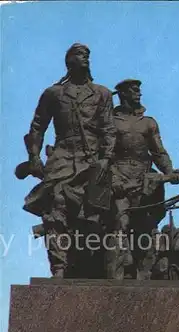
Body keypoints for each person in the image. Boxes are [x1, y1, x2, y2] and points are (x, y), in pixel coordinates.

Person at [20, 43, 116, 278]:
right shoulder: (54, 93)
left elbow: (109, 130)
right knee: (56, 208)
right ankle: (59, 267)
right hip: (62, 157)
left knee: (94, 217)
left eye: (87, 55)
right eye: (80, 54)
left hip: (92, 160)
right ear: (69, 60)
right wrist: (34, 157)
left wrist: (105, 159)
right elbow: (37, 126)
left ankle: (87, 268)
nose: (85, 58)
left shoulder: (101, 93)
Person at [107, 78, 179, 279]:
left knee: (147, 229)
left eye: (139, 90)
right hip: (120, 177)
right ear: (123, 94)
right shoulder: (111, 122)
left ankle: (143, 276)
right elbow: (105, 156)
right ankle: (115, 278)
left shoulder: (149, 123)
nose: (139, 94)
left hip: (145, 180)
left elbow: (159, 152)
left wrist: (170, 172)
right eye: (134, 90)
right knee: (120, 224)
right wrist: (114, 179)